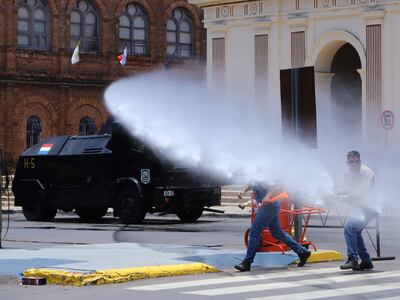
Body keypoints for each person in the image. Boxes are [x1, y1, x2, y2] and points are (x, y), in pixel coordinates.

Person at [234, 182, 311, 272]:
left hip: (270, 206)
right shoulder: (255, 171)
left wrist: (268, 195)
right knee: (277, 232)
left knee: (255, 230)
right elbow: (252, 183)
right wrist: (243, 191)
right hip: (268, 206)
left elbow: (279, 185)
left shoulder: (267, 172)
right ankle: (302, 252)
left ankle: (247, 262)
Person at [339, 150, 378, 271]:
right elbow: (349, 189)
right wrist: (338, 193)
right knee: (355, 232)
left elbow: (362, 193)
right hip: (360, 207)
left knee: (349, 228)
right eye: (351, 162)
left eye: (357, 162)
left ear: (360, 161)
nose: (354, 165)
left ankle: (352, 259)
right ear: (348, 163)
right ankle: (366, 261)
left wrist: (344, 197)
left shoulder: (367, 173)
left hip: (370, 206)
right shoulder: (348, 173)